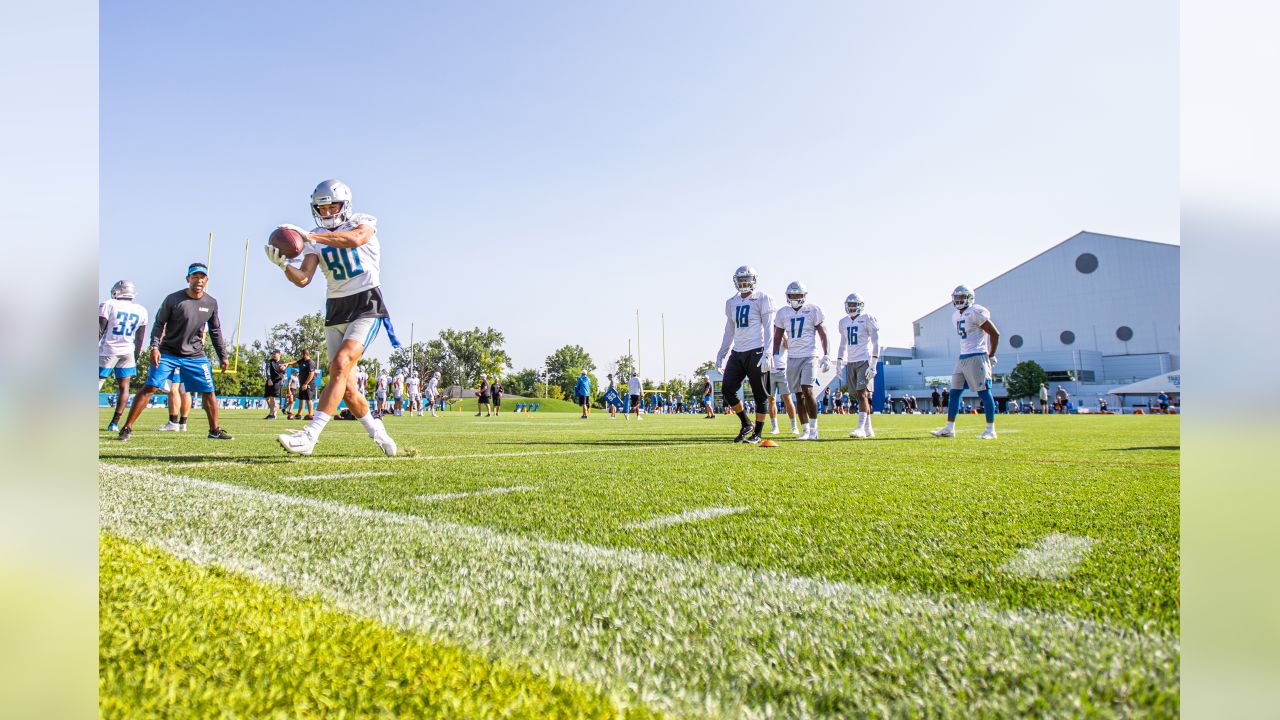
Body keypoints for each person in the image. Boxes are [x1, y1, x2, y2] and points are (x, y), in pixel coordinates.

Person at [263, 179, 398, 456]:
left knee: (340, 364)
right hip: (335, 307)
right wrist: (284, 265)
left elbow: (356, 239)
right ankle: (377, 431)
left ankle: (310, 436)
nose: (326, 213)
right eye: (320, 208)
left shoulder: (362, 221)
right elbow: (303, 279)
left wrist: (312, 237)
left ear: (345, 205)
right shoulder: (313, 237)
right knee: (346, 386)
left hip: (366, 303)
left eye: (331, 206)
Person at [116, 262, 232, 441]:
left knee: (209, 391)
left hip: (195, 355)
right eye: (195, 276)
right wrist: (154, 347)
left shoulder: (211, 303)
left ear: (206, 280)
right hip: (168, 353)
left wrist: (223, 355)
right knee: (151, 387)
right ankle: (127, 427)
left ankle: (214, 430)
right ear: (188, 279)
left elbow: (215, 331)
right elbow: (158, 324)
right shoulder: (173, 299)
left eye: (202, 277)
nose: (198, 280)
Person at [715, 265, 777, 444]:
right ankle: (745, 423)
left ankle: (757, 433)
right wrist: (721, 353)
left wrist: (768, 352)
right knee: (727, 388)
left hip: (757, 350)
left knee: (760, 394)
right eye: (741, 280)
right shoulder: (731, 302)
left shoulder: (763, 298)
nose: (743, 283)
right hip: (738, 351)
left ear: (754, 281)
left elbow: (769, 328)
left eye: (747, 280)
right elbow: (729, 330)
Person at [932, 285, 1000, 439]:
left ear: (969, 298)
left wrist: (991, 355)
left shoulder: (976, 311)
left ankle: (990, 430)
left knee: (984, 393)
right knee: (954, 393)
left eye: (962, 297)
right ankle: (949, 428)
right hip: (962, 357)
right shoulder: (955, 315)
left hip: (977, 355)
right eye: (956, 298)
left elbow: (995, 334)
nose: (958, 300)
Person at [772, 281, 830, 441]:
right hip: (792, 357)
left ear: (804, 296)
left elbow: (823, 334)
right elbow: (777, 336)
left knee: (807, 389)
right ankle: (805, 430)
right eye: (792, 295)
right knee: (798, 394)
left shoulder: (813, 310)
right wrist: (773, 355)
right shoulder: (783, 313)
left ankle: (814, 429)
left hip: (810, 355)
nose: (795, 297)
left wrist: (826, 355)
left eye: (798, 294)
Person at [98, 280, 149, 432]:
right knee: (124, 387)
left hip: (108, 349)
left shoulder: (109, 304)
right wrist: (136, 356)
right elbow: (140, 338)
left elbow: (100, 329)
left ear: (117, 291)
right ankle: (114, 423)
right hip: (128, 350)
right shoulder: (141, 310)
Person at [836, 292, 880, 438]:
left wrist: (873, 363)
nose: (851, 307)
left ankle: (860, 428)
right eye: (850, 304)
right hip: (851, 361)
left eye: (854, 304)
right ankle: (868, 428)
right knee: (858, 395)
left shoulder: (867, 319)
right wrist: (839, 361)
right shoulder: (843, 322)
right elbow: (842, 344)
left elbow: (876, 342)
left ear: (860, 305)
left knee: (862, 394)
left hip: (864, 361)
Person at [263, 349, 291, 419]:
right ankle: (273, 411)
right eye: (272, 354)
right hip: (270, 380)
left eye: (275, 354)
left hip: (277, 381)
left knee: (272, 397)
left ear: (279, 354)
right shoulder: (270, 362)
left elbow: (284, 373)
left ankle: (272, 414)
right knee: (267, 397)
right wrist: (269, 379)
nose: (273, 355)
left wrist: (284, 376)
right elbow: (268, 371)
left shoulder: (282, 363)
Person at [293, 348, 316, 420]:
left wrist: (306, 383)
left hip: (309, 384)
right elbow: (296, 362)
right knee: (301, 398)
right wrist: (287, 363)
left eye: (302, 354)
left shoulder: (310, 362)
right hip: (302, 383)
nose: (301, 356)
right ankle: (299, 414)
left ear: (306, 354)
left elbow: (311, 374)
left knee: (308, 399)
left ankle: (311, 414)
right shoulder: (303, 361)